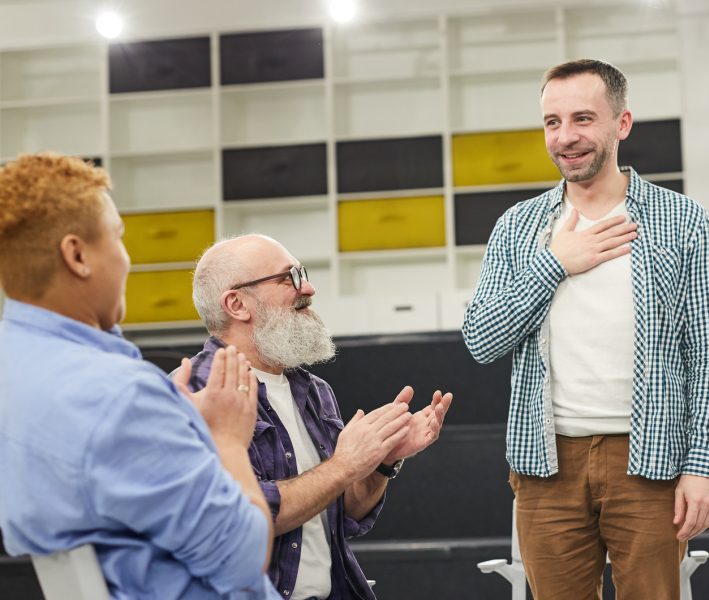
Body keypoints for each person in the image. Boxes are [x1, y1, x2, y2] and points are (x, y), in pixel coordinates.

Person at [461, 58, 709, 598]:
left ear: (621, 124)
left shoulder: (681, 220)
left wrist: (704, 465)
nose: (566, 137)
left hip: (651, 460)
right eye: (552, 122)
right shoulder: (518, 228)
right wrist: (555, 263)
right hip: (546, 464)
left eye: (583, 119)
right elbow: (481, 340)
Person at [0, 152, 279, 598]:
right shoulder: (119, 396)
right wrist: (226, 439)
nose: (126, 259)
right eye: (118, 237)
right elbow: (245, 558)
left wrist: (170, 422)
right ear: (77, 255)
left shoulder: (17, 368)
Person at [181, 234, 452, 600]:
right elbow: (244, 518)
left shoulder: (313, 391)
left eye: (302, 273)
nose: (307, 287)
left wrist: (380, 462)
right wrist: (344, 464)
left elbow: (343, 514)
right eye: (288, 277)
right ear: (237, 304)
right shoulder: (193, 394)